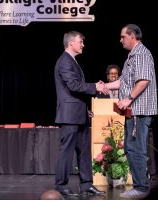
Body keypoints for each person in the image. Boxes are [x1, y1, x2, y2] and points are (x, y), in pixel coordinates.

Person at [104, 24, 158, 199]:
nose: (120, 40)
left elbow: (144, 80)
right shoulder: (131, 56)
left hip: (139, 110)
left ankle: (142, 188)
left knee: (137, 149)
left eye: (122, 37)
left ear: (132, 35)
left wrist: (128, 98)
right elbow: (123, 82)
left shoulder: (142, 53)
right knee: (130, 148)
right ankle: (139, 185)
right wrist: (104, 86)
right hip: (132, 111)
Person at [54, 31, 107, 197]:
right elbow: (73, 86)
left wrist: (85, 109)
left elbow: (76, 89)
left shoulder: (72, 61)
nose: (83, 45)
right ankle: (61, 186)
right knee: (67, 151)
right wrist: (95, 87)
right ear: (71, 43)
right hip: (69, 115)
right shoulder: (64, 61)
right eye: (80, 42)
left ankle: (86, 185)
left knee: (84, 151)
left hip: (79, 113)